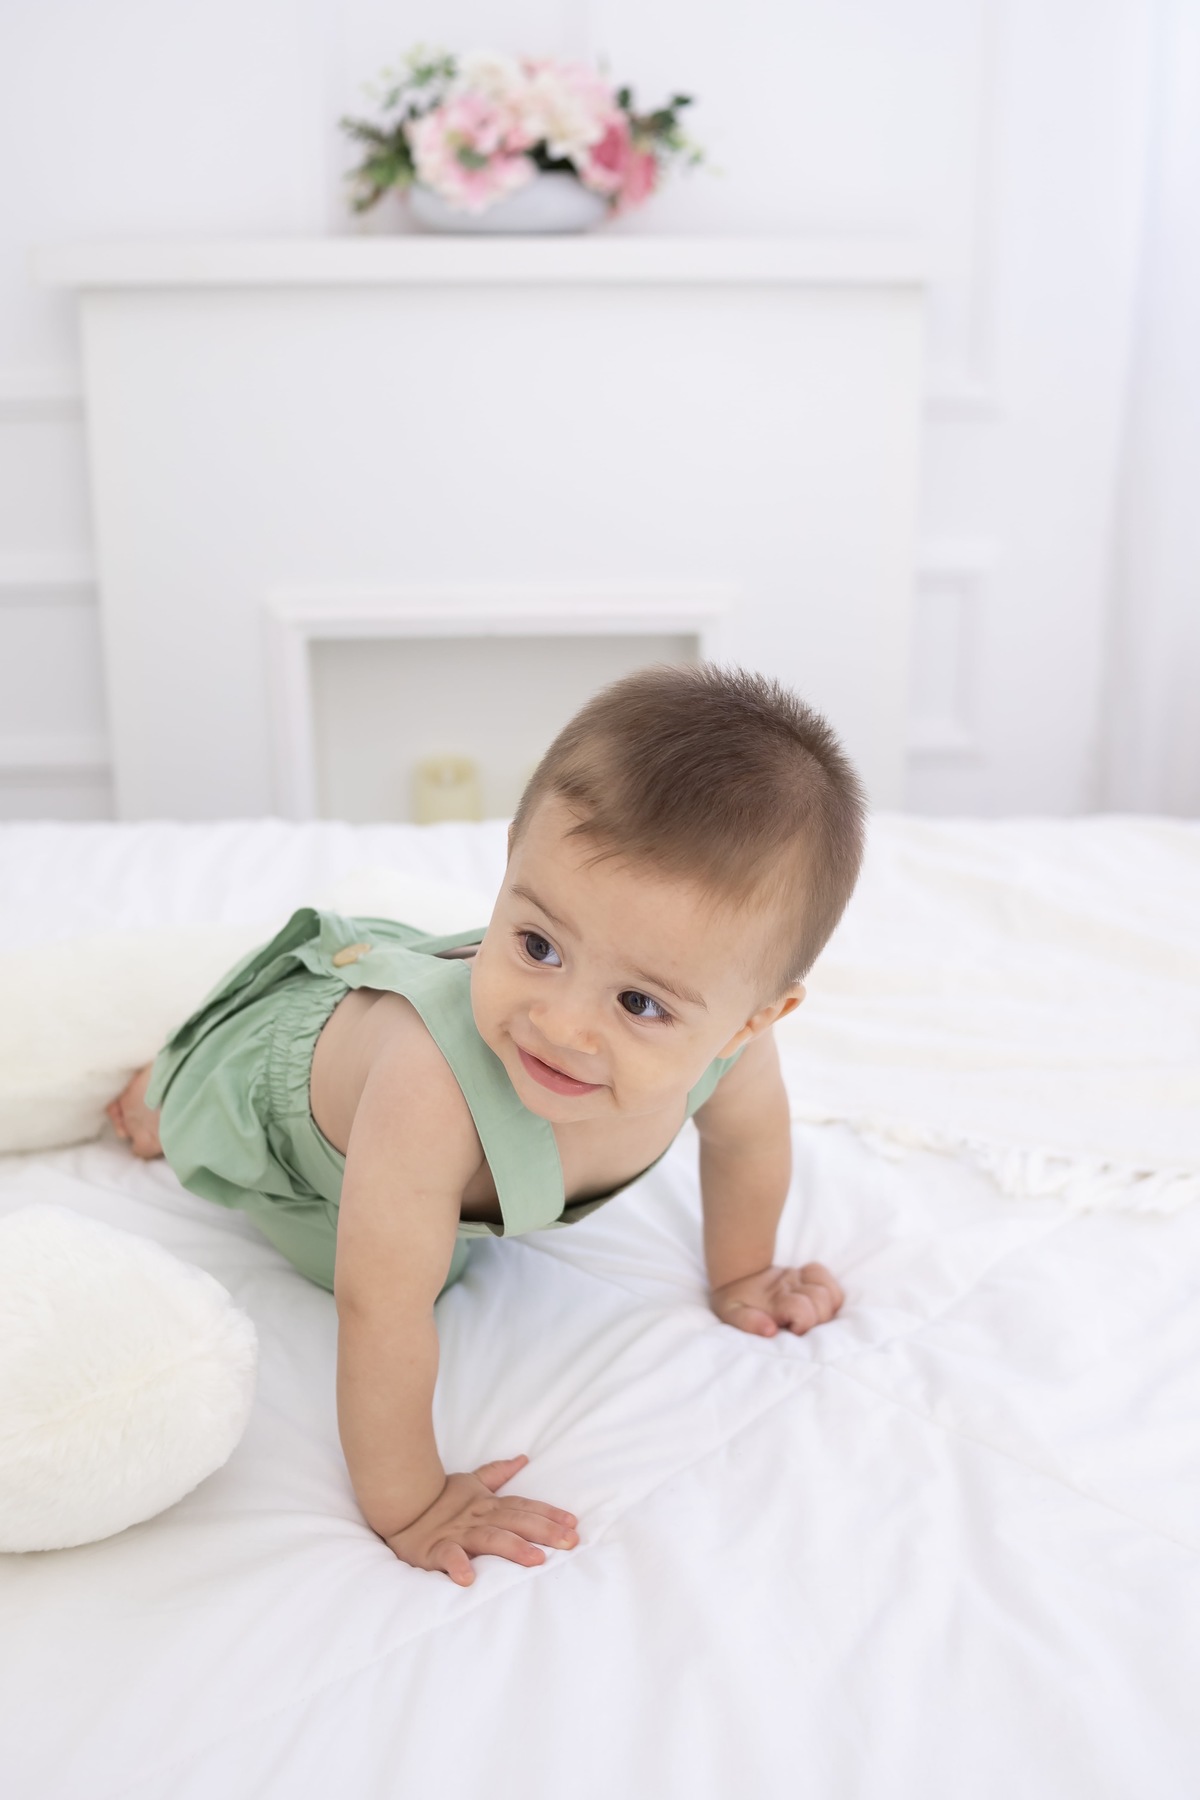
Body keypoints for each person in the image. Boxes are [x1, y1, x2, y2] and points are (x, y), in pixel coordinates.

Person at [107, 664, 866, 1586]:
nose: (561, 1024)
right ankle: (170, 1080)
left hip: (434, 1163)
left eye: (638, 1002)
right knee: (382, 1254)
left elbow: (748, 1139)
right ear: (509, 860)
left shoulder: (731, 1052)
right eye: (537, 943)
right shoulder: (428, 1088)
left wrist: (745, 1272)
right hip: (296, 1117)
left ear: (752, 1019)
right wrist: (415, 1503)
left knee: (437, 1240)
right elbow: (377, 1306)